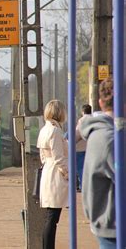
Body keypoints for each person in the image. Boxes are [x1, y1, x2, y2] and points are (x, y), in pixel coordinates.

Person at [80, 77, 115, 248]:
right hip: (114, 225)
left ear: (100, 103)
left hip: (105, 221)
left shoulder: (97, 133)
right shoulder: (111, 139)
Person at [37, 99, 68, 249]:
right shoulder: (55, 131)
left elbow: (43, 156)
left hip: (48, 171)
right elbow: (59, 157)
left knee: (50, 216)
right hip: (56, 175)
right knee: (52, 217)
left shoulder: (45, 129)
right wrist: (68, 173)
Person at [74, 104, 91, 191]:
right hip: (88, 148)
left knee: (80, 168)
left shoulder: (82, 120)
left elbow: (78, 133)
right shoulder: (93, 119)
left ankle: (82, 185)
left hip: (80, 148)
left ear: (83, 111)